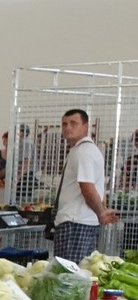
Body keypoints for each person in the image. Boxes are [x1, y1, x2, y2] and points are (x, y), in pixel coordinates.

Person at [51, 108, 119, 264]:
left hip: (75, 222)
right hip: (82, 221)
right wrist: (101, 210)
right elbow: (98, 188)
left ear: (86, 126)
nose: (68, 127)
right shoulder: (84, 150)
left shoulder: (83, 152)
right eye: (64, 124)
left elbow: (87, 187)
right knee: (80, 269)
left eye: (73, 123)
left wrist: (101, 213)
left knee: (68, 271)